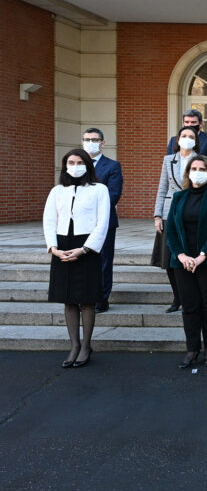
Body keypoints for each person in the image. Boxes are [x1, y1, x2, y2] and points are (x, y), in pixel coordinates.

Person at [43, 149, 110, 368]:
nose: (75, 165)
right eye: (71, 162)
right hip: (62, 245)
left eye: (79, 162)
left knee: (87, 299)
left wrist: (85, 249)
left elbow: (102, 223)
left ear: (87, 165)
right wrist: (53, 248)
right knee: (68, 299)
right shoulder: (57, 191)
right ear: (65, 166)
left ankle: (86, 346)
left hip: (86, 248)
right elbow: (49, 220)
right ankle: (74, 345)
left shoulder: (99, 189)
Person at [166, 155, 207, 369]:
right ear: (188, 172)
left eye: (202, 168)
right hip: (183, 262)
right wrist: (182, 256)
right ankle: (192, 349)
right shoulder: (178, 197)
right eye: (194, 168)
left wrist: (202, 256)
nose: (197, 171)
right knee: (189, 306)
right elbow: (171, 231)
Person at [152, 125, 198, 314]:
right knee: (170, 258)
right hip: (170, 211)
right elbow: (162, 188)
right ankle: (177, 297)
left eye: (191, 136)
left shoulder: (200, 161)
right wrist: (157, 215)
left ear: (196, 141)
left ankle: (190, 296)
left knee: (189, 255)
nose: (187, 138)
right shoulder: (168, 160)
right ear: (178, 139)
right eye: (184, 135)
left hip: (192, 212)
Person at [81, 127, 123, 313]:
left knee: (104, 261)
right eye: (87, 139)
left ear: (103, 143)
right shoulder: (76, 164)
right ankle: (85, 296)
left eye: (95, 139)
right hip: (79, 223)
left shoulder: (112, 166)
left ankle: (102, 298)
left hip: (104, 221)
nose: (91, 142)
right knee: (83, 262)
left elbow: (113, 195)